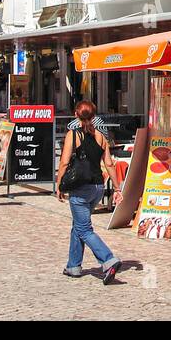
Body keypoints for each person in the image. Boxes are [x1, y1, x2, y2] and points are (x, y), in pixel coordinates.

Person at [55, 100, 121, 283]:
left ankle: (108, 260)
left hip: (80, 187)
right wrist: (117, 187)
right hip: (98, 187)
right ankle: (73, 266)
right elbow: (109, 164)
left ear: (76, 115)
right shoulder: (101, 136)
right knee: (79, 224)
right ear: (94, 116)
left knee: (84, 229)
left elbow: (64, 162)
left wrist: (59, 184)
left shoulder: (73, 134)